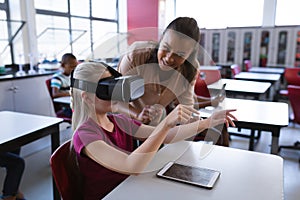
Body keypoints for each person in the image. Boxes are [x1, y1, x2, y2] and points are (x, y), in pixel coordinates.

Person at [70, 62, 236, 199]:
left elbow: (167, 136)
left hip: (130, 188)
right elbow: (131, 166)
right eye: (107, 90)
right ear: (87, 98)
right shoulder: (86, 136)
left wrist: (207, 122)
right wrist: (165, 124)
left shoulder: (117, 121)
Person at [117, 17, 227, 144]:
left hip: (156, 128)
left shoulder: (190, 69)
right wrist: (137, 115)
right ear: (161, 40)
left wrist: (201, 122)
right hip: (124, 126)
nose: (169, 58)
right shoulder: (136, 55)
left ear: (190, 55)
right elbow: (115, 101)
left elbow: (186, 106)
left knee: (219, 130)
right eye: (166, 47)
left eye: (180, 54)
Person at [51, 53, 78, 117]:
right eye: (71, 67)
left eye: (75, 66)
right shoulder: (57, 78)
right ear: (63, 65)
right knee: (86, 113)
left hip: (74, 104)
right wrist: (71, 93)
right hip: (66, 108)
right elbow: (55, 94)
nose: (74, 69)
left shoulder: (72, 76)